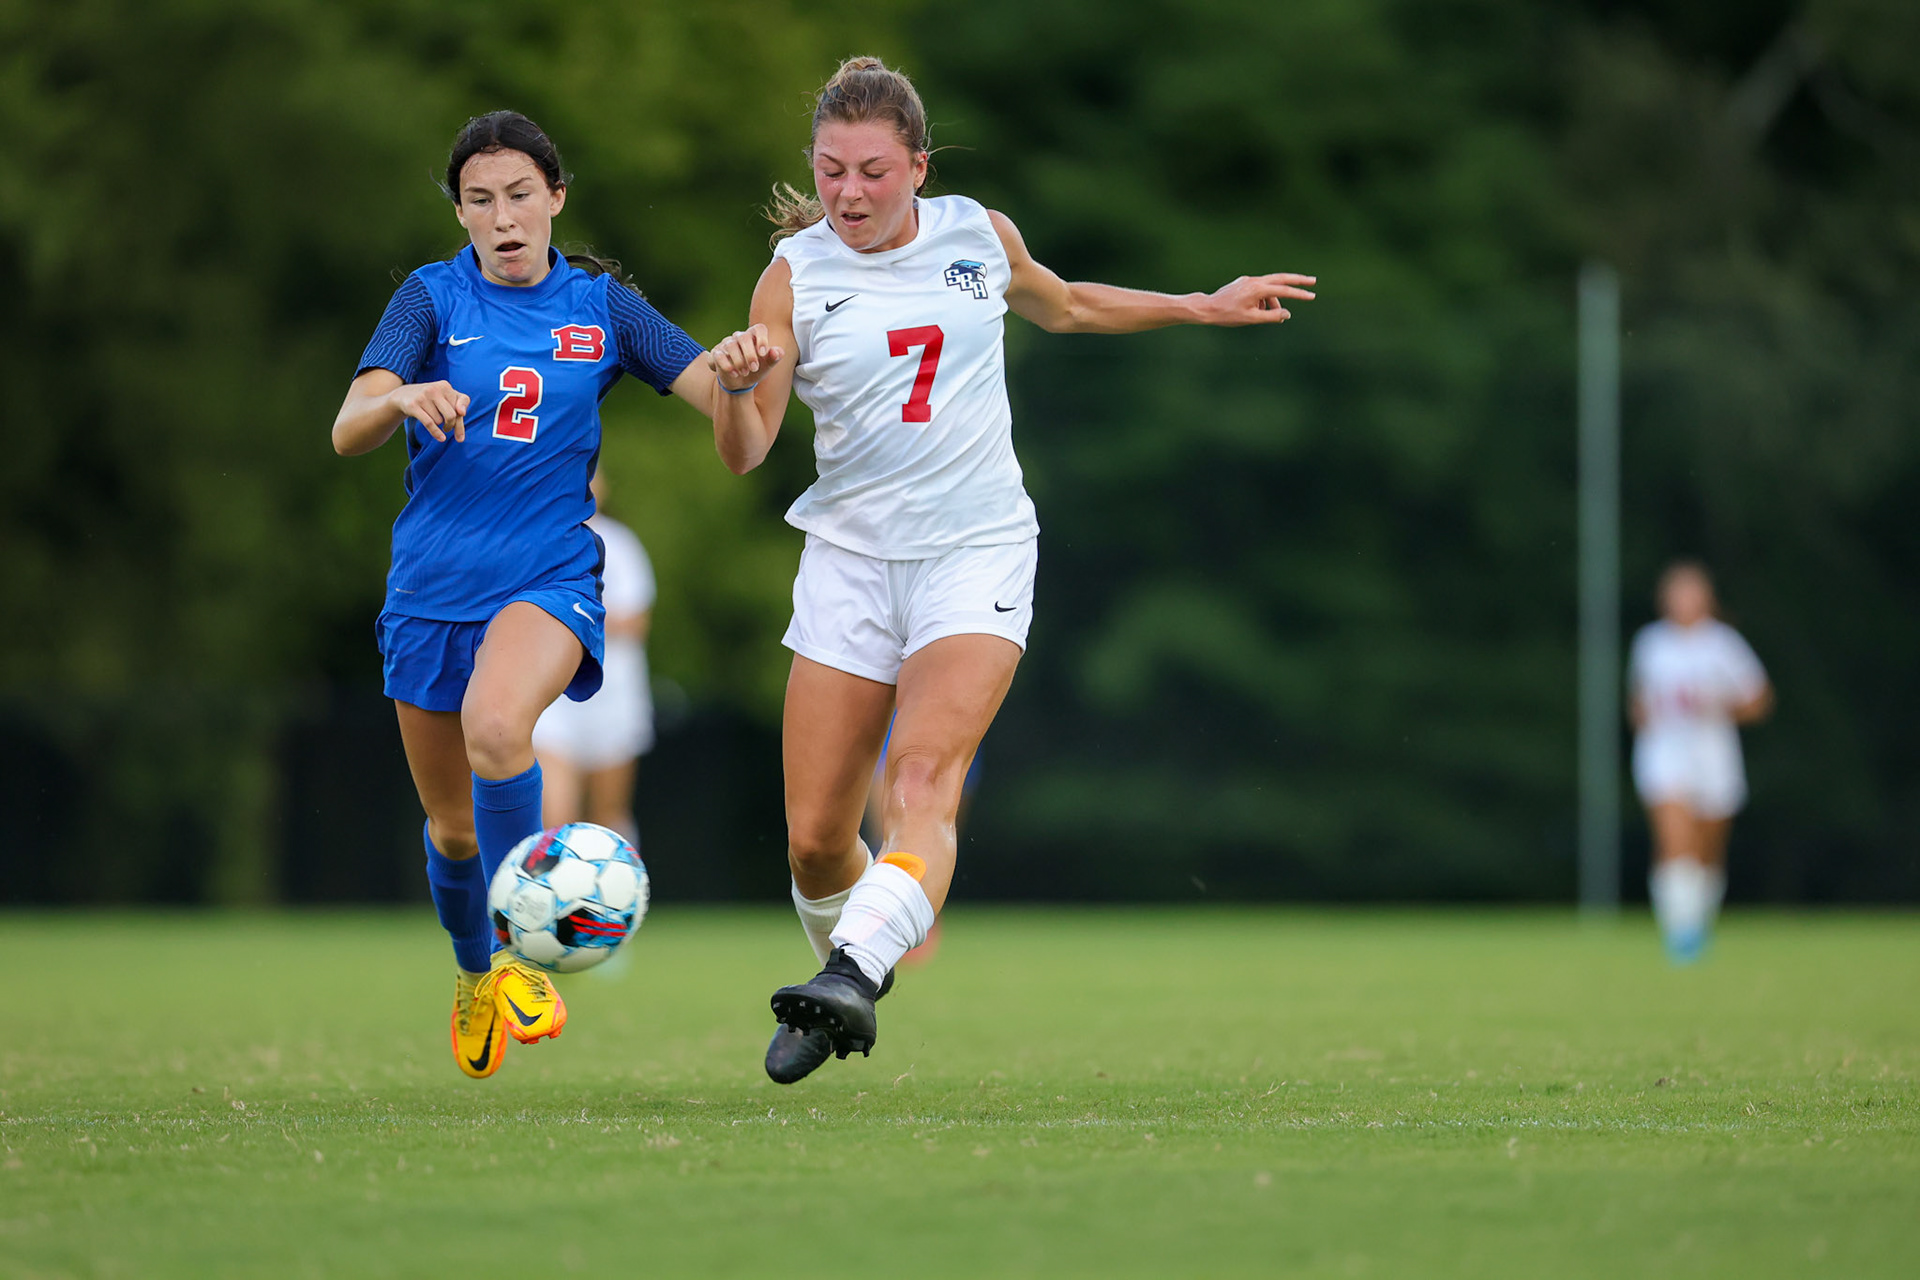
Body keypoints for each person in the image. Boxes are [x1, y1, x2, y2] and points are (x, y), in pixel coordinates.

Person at [703, 56, 1316, 1083]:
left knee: (921, 780)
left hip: (975, 549)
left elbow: (1066, 305)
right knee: (814, 842)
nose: (848, 193)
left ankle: (852, 969)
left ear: (918, 167)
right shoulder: (792, 275)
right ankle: (857, 961)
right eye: (830, 170)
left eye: (872, 171)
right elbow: (745, 450)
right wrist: (734, 390)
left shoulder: (977, 235)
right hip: (849, 562)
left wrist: (1199, 306)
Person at [331, 111, 730, 1079]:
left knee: (501, 725)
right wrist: (397, 397)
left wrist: (755, 362)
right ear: (460, 213)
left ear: (556, 196)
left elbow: (723, 393)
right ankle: (477, 973)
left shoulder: (605, 308)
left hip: (548, 578)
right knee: (453, 827)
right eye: (480, 201)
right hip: (430, 587)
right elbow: (348, 427)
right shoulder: (430, 297)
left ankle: (517, 951)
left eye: (519, 195)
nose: (502, 218)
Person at [1628, 561, 1773, 963]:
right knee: (1675, 840)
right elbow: (1638, 700)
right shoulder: (1650, 643)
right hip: (1664, 753)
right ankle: (1680, 931)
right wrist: (1645, 715)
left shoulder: (1723, 644)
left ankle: (1699, 920)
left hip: (1713, 754)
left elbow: (1759, 701)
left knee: (1708, 849)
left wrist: (1716, 705)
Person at [532, 468, 657, 842]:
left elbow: (635, 621)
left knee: (608, 815)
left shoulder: (621, 544)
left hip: (613, 696)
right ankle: (553, 877)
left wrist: (571, 616)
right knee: (555, 813)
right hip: (554, 696)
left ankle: (616, 880)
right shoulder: (541, 542)